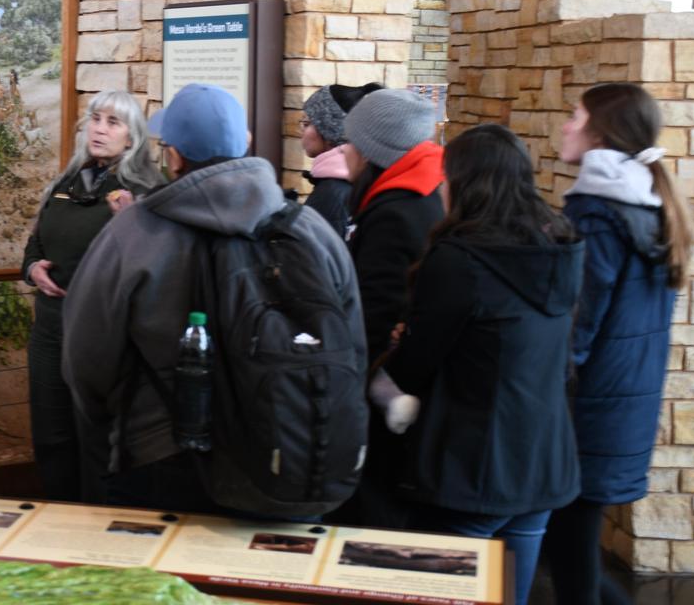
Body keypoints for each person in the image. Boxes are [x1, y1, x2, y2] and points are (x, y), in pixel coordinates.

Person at [63, 84, 362, 513]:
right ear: (247, 144)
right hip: (287, 456)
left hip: (159, 458)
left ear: (174, 157)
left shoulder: (132, 233)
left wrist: (109, 430)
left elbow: (85, 358)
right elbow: (351, 343)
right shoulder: (310, 230)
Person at [388, 124, 583, 605]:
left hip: (473, 463)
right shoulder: (561, 245)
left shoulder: (459, 260)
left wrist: (403, 343)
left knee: (444, 591)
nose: (440, 187)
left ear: (467, 182)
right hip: (543, 457)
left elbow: (416, 366)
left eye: (446, 175)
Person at [542, 83, 693, 605]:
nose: (566, 125)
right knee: (570, 548)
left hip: (590, 404)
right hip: (622, 401)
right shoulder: (650, 205)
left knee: (570, 557)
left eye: (575, 116)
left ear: (601, 130)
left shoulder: (598, 213)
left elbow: (578, 324)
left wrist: (543, 389)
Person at [21, 90, 161, 501]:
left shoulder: (145, 190)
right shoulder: (65, 181)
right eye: (96, 119)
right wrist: (32, 268)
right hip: (50, 327)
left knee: (98, 440)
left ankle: (96, 533)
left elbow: (158, 263)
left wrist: (132, 221)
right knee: (50, 436)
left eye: (113, 122)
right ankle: (56, 524)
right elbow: (35, 243)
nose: (99, 129)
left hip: (104, 333)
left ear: (132, 137)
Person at [335, 88, 444, 528]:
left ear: (373, 151)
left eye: (352, 142)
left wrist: (351, 384)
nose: (345, 150)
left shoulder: (395, 213)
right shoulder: (417, 193)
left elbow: (375, 313)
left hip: (387, 403)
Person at [299, 82, 383, 239]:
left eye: (307, 123)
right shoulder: (352, 180)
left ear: (330, 132)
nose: (301, 131)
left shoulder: (333, 193)